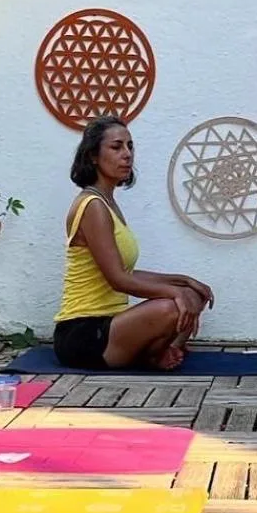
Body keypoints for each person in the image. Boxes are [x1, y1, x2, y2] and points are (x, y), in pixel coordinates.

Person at [53, 115, 215, 371]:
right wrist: (175, 292)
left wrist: (183, 282)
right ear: (93, 156)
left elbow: (126, 272)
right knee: (171, 307)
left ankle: (160, 352)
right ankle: (154, 354)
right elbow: (119, 280)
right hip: (84, 334)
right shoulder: (92, 206)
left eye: (130, 146)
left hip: (112, 324)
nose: (127, 154)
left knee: (194, 295)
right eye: (116, 147)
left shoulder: (107, 203)